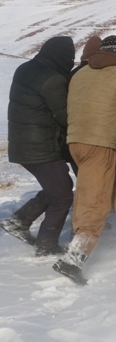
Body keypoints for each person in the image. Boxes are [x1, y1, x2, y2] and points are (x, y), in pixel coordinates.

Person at [53, 35, 116, 285]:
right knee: (95, 200)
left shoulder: (80, 73)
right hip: (100, 142)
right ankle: (74, 257)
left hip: (75, 142)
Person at [1, 37, 75, 256]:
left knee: (58, 188)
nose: (70, 62)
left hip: (22, 144)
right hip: (41, 147)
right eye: (69, 57)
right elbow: (64, 116)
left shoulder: (25, 68)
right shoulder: (53, 79)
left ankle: (19, 221)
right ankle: (46, 246)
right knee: (62, 197)